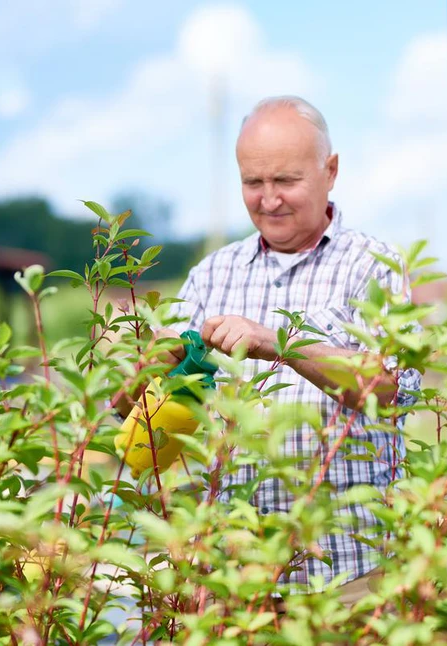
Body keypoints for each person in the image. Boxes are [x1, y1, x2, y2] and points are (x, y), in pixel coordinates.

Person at [156, 96, 418, 602]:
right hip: (235, 576)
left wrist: (276, 342)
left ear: (331, 171)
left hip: (352, 574)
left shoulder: (373, 265)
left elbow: (389, 389)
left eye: (286, 181)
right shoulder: (211, 274)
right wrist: (147, 363)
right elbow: (146, 412)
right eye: (253, 183)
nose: (268, 199)